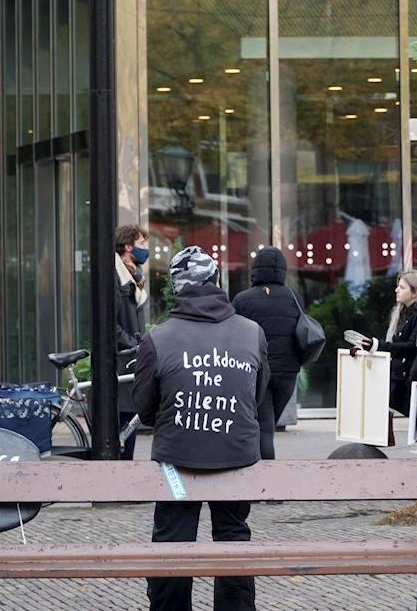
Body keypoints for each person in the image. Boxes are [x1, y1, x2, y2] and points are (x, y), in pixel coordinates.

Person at [133, 245, 270, 611]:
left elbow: (145, 409)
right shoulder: (252, 333)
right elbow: (254, 399)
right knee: (232, 534)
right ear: (216, 282)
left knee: (172, 539)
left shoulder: (157, 339)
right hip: (236, 460)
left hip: (177, 465)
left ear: (176, 289)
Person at [232, 246, 305, 460]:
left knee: (262, 428)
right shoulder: (294, 297)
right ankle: (260, 468)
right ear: (282, 270)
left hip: (256, 374)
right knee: (268, 426)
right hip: (287, 374)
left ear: (255, 270)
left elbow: (234, 338)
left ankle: (263, 475)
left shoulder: (242, 299)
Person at [354, 270, 417, 443]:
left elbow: (411, 347)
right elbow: (397, 346)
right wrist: (369, 346)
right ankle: (378, 445)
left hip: (411, 378)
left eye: (402, 287)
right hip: (399, 376)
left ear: (414, 292)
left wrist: (377, 345)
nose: (396, 290)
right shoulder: (401, 313)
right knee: (382, 412)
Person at [114, 224, 149, 459]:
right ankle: (121, 474)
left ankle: (127, 470)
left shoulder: (134, 276)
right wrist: (132, 343)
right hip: (120, 358)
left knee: (131, 418)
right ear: (128, 247)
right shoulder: (117, 277)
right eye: (142, 244)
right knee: (124, 419)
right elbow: (109, 324)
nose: (146, 249)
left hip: (130, 358)